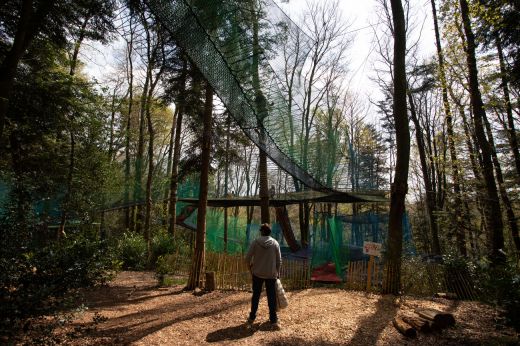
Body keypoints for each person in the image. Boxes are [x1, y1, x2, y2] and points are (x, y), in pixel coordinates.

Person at [245, 223, 282, 329]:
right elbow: (279, 260)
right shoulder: (275, 243)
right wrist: (277, 272)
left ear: (261, 231)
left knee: (256, 296)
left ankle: (251, 318)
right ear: (270, 232)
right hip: (271, 275)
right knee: (271, 297)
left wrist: (250, 269)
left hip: (257, 274)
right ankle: (273, 320)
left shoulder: (255, 242)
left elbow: (247, 259)